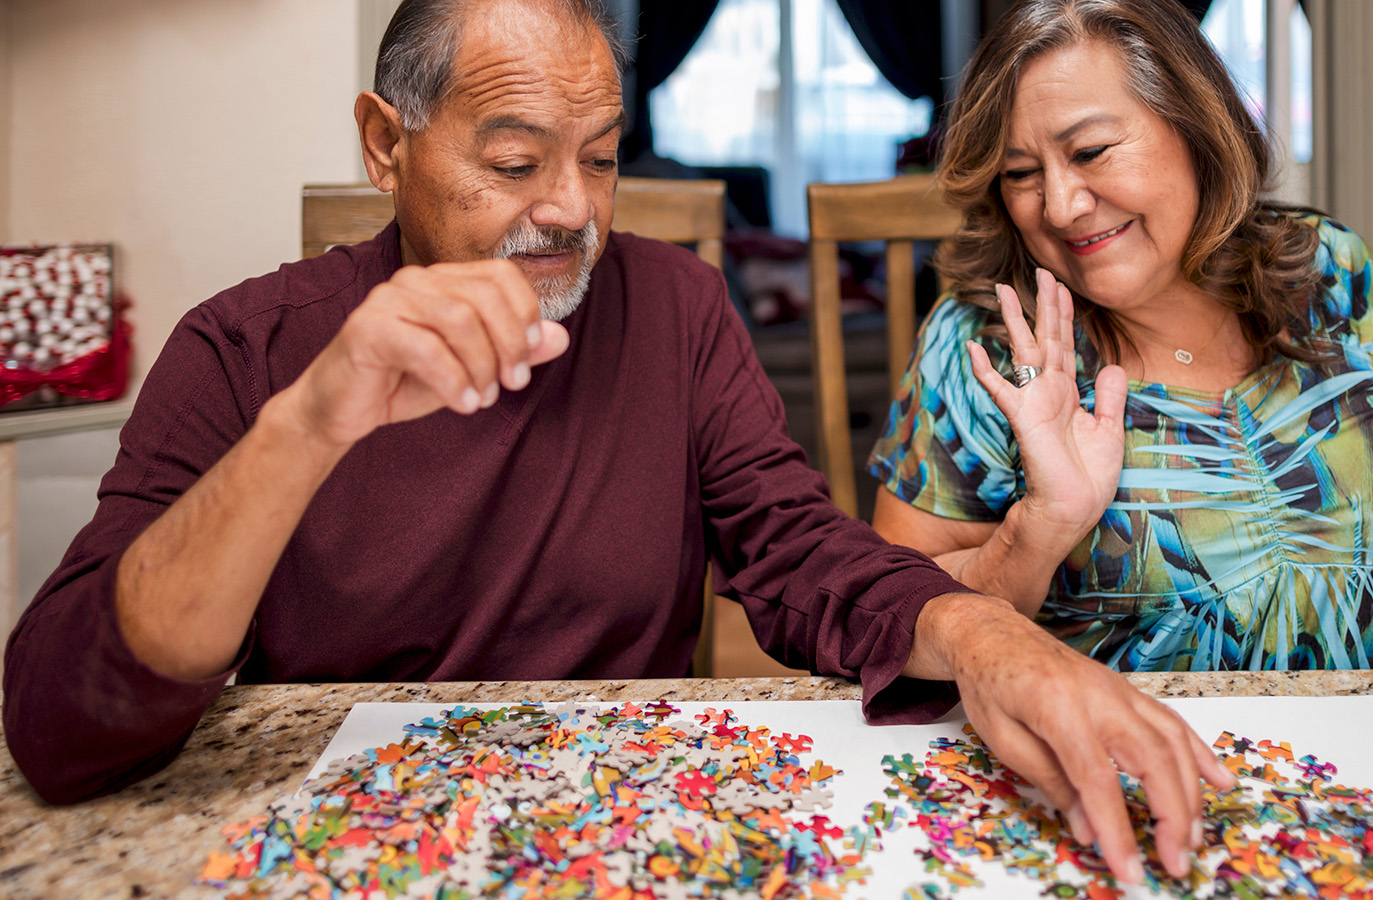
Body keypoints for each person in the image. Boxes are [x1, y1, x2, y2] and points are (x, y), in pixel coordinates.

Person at [2, 0, 1232, 882]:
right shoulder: (246, 347)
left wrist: (985, 634)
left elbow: (799, 554)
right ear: (387, 147)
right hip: (358, 846)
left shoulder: (677, 308)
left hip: (619, 831)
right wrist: (314, 422)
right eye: (512, 161)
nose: (570, 212)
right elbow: (62, 724)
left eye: (599, 160)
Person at [871, 0, 1373, 671]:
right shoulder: (988, 346)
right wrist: (1039, 527)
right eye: (1020, 173)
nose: (1060, 206)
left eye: (1091, 152)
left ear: (1195, 126)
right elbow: (902, 623)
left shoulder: (1331, 271)